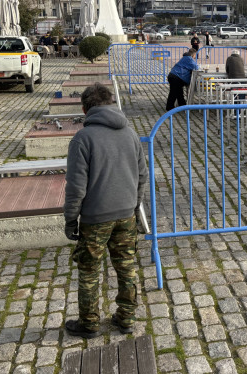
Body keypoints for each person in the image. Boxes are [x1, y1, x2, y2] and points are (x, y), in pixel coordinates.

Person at [63, 83, 148, 338]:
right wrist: (134, 206)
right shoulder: (130, 133)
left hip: (95, 218)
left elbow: (76, 186)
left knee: (89, 271)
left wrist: (70, 219)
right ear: (111, 103)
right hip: (125, 214)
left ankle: (89, 323)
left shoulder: (82, 139)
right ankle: (127, 318)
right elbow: (142, 175)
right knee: (126, 267)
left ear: (84, 109)